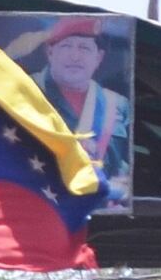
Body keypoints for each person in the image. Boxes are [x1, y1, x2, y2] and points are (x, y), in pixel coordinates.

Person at [26, 15, 131, 204]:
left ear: (98, 57)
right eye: (66, 46)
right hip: (38, 204)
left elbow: (126, 165)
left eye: (84, 48)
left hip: (102, 213)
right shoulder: (25, 92)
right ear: (50, 52)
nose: (75, 56)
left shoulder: (118, 105)